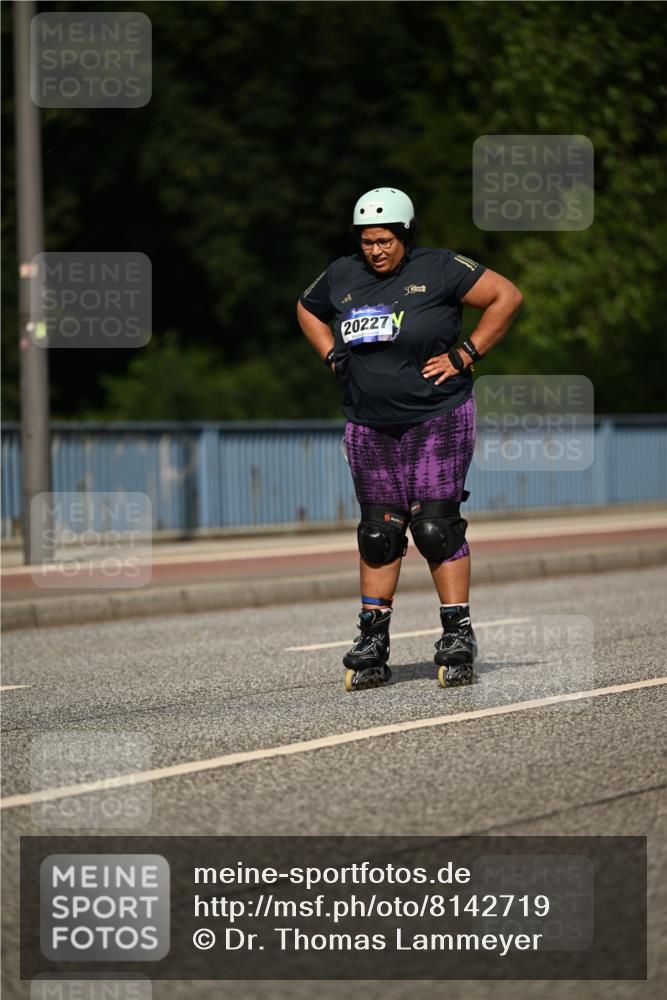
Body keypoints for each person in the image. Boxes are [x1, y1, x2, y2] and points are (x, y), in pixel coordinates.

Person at [296, 187, 522, 692]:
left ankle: (457, 634)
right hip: (369, 423)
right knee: (379, 533)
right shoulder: (342, 274)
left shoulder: (439, 267)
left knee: (435, 527)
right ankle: (373, 641)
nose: (375, 250)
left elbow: (506, 296)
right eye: (367, 242)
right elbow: (306, 308)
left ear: (404, 235)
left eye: (384, 241)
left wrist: (466, 354)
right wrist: (331, 355)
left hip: (437, 416)